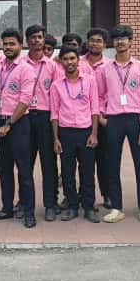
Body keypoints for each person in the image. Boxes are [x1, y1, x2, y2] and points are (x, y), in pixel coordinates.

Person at [99, 24, 140, 225]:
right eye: (117, 39)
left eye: (124, 38)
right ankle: (116, 207)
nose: (120, 42)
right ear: (112, 43)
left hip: (135, 119)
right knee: (112, 164)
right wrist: (102, 118)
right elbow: (99, 96)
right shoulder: (105, 69)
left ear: (130, 41)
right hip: (113, 119)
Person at [50, 46, 101, 223]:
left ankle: (89, 207)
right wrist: (56, 139)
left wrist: (94, 134)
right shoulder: (56, 85)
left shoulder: (90, 81)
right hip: (65, 133)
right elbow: (54, 114)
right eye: (65, 59)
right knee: (67, 172)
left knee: (87, 171)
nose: (69, 62)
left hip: (86, 132)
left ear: (78, 60)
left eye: (72, 58)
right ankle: (72, 206)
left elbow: (95, 109)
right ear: (61, 62)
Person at [0, 29, 38, 228]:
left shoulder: (26, 69)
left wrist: (9, 124)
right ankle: (7, 209)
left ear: (20, 45)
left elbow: (25, 100)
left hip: (18, 124)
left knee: (24, 171)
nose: (8, 47)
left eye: (12, 43)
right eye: (5, 44)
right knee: (4, 169)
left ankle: (29, 213)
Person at [22, 24, 62, 221]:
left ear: (43, 40)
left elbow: (58, 94)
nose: (36, 40)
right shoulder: (21, 64)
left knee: (49, 164)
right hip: (25, 116)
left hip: (46, 118)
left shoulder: (53, 66)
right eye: (33, 37)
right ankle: (24, 203)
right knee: (25, 164)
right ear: (27, 40)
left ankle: (50, 204)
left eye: (39, 37)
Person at [82, 28, 112, 209]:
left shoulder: (110, 65)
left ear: (105, 45)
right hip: (81, 120)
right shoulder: (77, 62)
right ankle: (84, 196)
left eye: (99, 41)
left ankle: (107, 194)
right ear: (87, 42)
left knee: (104, 160)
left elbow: (111, 92)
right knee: (84, 162)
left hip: (103, 119)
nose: (94, 43)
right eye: (92, 40)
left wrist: (101, 115)